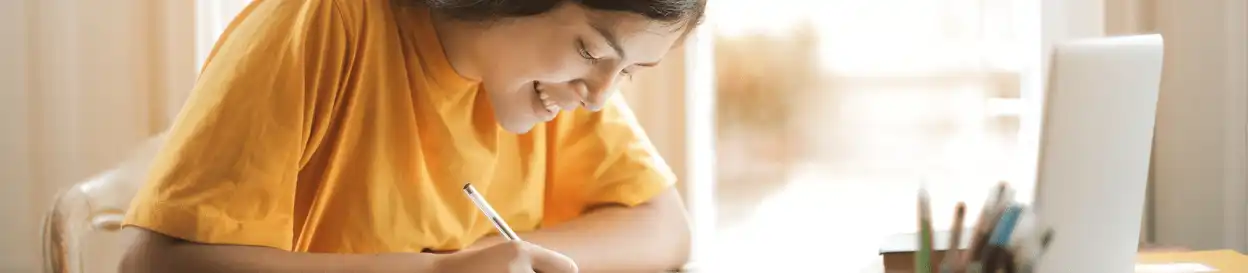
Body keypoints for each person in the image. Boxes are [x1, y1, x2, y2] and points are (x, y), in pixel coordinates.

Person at [118, 0, 705, 272]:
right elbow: (156, 264)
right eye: (590, 50)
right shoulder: (327, 22)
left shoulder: (557, 86)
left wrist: (501, 261)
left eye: (627, 71)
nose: (601, 95)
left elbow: (665, 228)